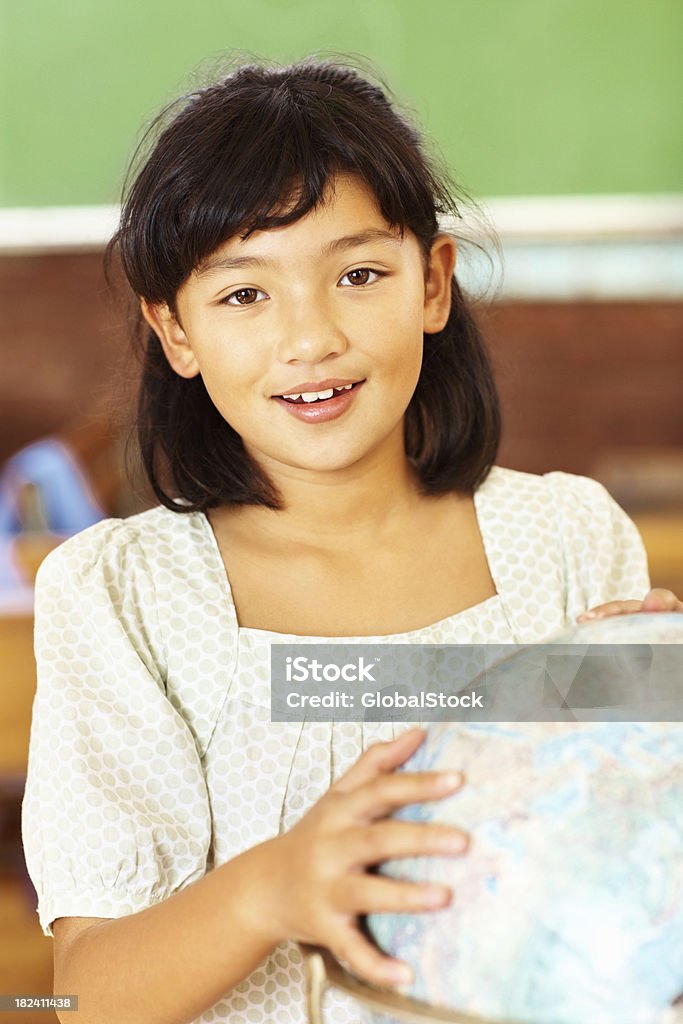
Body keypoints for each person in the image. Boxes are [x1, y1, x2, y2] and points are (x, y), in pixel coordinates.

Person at [20, 57, 683, 1024]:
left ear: (432, 283)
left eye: (360, 273)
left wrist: (653, 723)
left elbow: (634, 891)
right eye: (244, 295)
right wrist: (273, 886)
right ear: (175, 333)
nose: (310, 338)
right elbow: (84, 999)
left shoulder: (568, 537)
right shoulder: (124, 595)